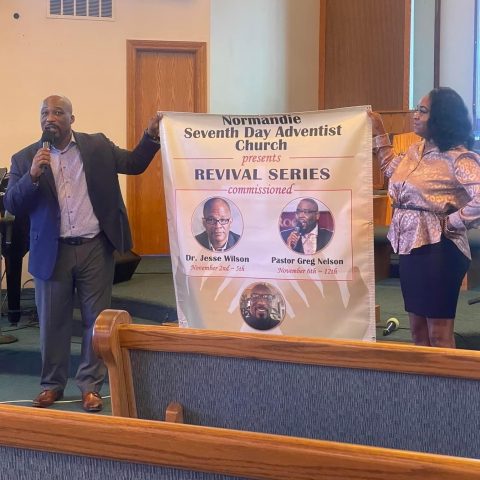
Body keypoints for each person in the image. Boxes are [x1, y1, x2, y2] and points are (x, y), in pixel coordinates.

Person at [4, 94, 161, 411]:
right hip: (53, 251)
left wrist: (151, 136)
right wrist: (33, 175)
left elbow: (133, 163)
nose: (51, 117)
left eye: (58, 112)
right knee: (52, 323)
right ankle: (51, 385)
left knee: (96, 320)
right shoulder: (25, 158)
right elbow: (12, 204)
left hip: (93, 247)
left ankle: (90, 386)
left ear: (72, 119)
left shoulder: (97, 146)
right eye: (45, 112)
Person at [370, 87, 480, 348]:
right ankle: (422, 390)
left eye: (423, 110)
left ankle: (450, 388)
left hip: (439, 250)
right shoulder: (414, 151)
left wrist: (454, 221)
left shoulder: (458, 157)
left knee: (438, 333)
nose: (415, 116)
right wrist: (379, 131)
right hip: (410, 247)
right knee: (417, 331)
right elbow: (389, 169)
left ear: (440, 116)